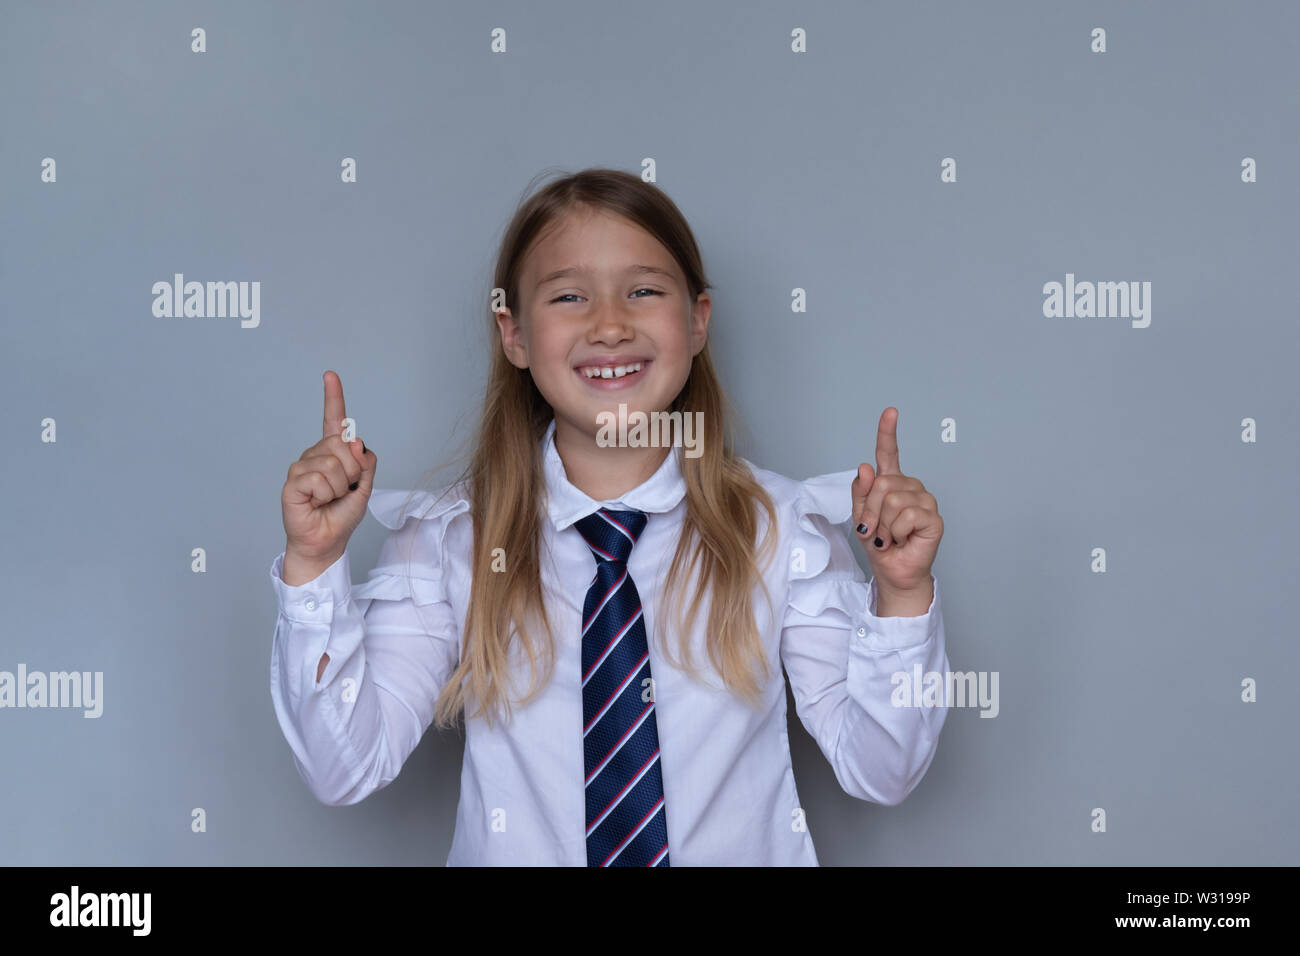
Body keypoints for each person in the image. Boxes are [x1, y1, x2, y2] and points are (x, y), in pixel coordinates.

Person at [269, 167, 949, 866]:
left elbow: (882, 771)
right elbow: (344, 769)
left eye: (645, 290)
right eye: (568, 295)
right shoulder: (447, 541)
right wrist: (315, 569)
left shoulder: (779, 530)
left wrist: (899, 597)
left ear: (697, 322)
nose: (610, 323)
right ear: (515, 334)